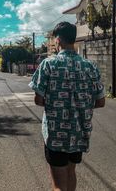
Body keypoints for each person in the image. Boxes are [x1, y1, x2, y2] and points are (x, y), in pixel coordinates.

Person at [29, 21, 105, 191]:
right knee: (71, 174)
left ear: (58, 40)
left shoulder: (48, 64)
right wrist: (81, 104)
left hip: (56, 136)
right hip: (79, 133)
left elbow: (38, 100)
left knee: (58, 185)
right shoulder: (90, 66)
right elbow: (101, 101)